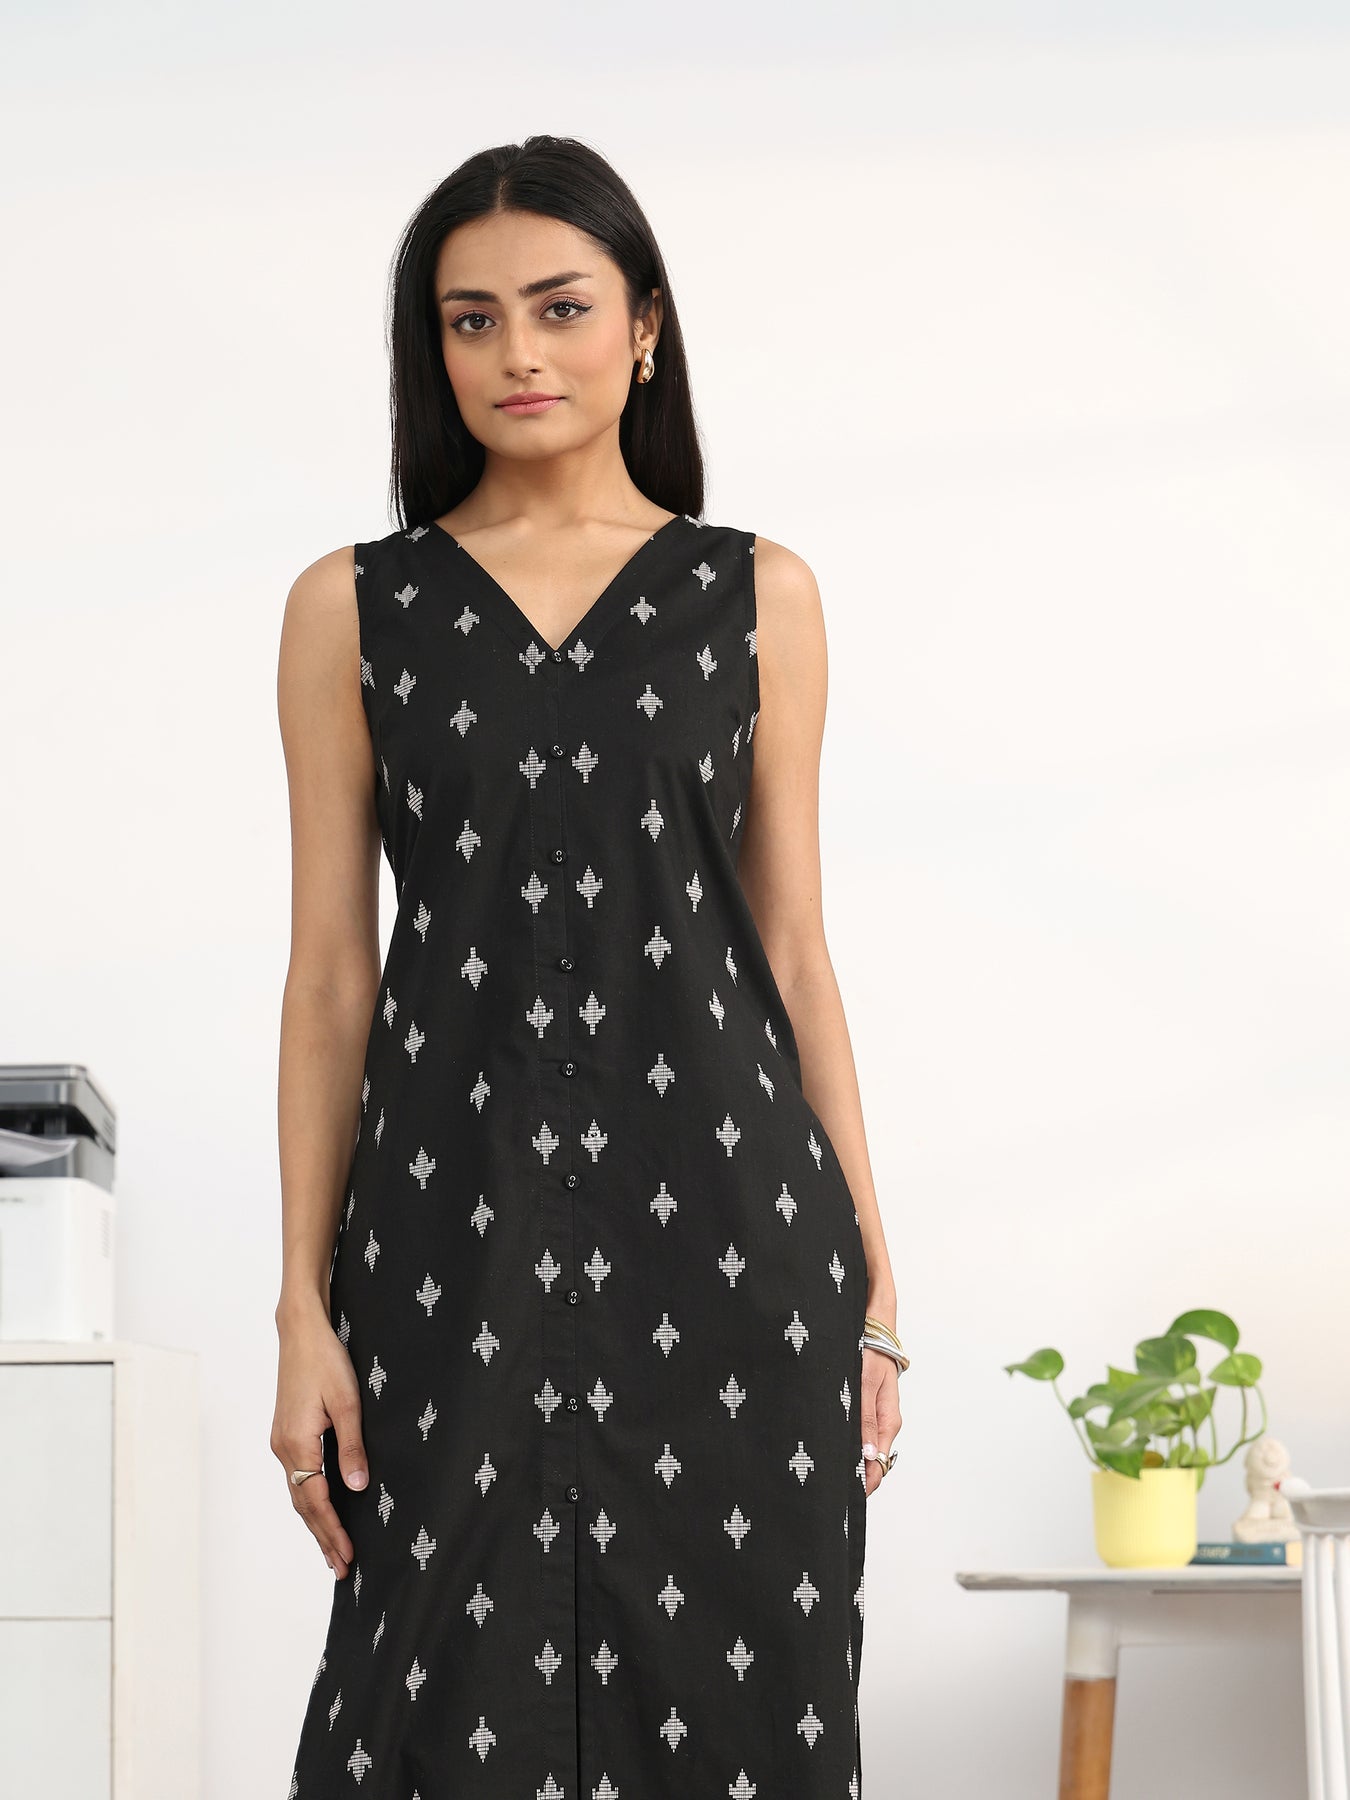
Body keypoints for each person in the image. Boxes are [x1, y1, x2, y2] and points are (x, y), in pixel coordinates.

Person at [271, 132, 905, 1798]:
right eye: (469, 320)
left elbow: (790, 948)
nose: (517, 353)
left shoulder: (757, 595)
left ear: (643, 327)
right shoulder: (352, 610)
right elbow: (331, 976)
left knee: (745, 1714)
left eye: (558, 308)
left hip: (733, 1245)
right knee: (422, 1708)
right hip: (445, 1248)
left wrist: (871, 1275)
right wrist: (299, 1306)